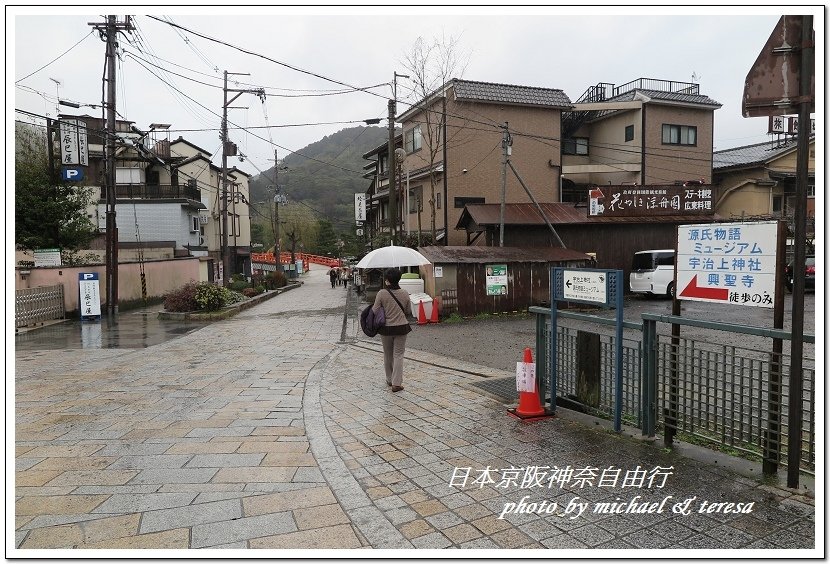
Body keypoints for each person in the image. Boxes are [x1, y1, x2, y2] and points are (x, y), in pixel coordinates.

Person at [372, 268, 412, 392]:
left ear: (387, 280)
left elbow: (375, 310)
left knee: (388, 354)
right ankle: (397, 383)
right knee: (399, 355)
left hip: (386, 328)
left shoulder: (382, 293)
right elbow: (408, 311)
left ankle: (389, 379)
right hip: (401, 327)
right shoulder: (405, 293)